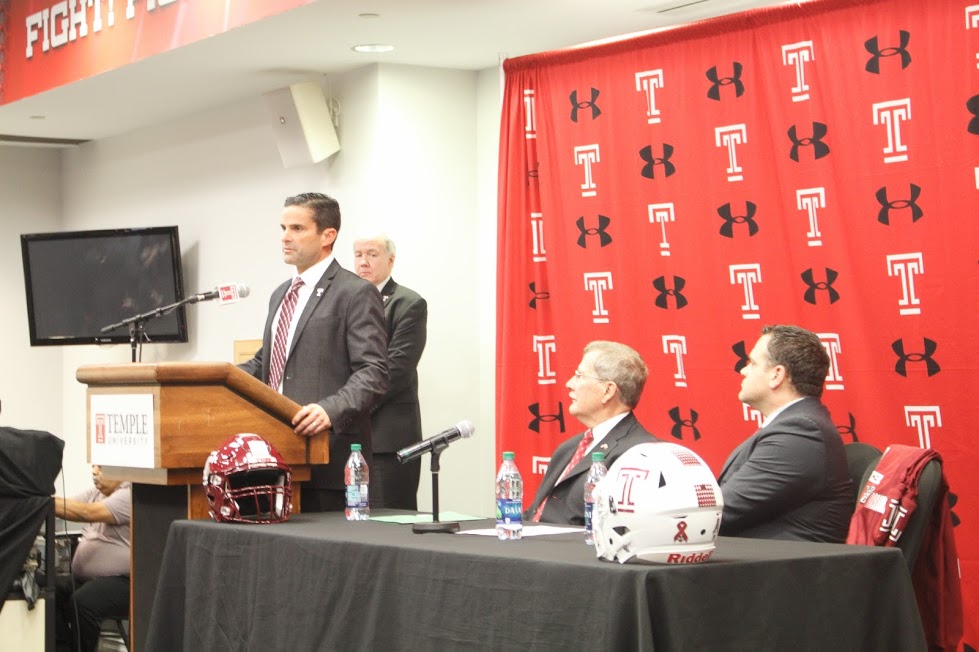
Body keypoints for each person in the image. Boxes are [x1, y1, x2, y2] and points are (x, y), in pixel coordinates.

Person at [239, 192, 389, 512]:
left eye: (296, 228)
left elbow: (373, 373)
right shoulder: (281, 294)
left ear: (327, 235)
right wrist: (217, 378)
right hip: (273, 456)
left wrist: (328, 411)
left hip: (327, 461)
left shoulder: (355, 292)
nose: (285, 237)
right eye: (282, 228)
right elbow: (267, 363)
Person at [718, 324, 851, 542]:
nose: (743, 371)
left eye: (752, 363)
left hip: (774, 571)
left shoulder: (801, 434)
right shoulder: (794, 425)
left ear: (777, 375)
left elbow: (719, 511)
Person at [524, 340, 659, 525]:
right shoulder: (569, 448)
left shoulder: (638, 453)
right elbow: (535, 513)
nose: (569, 384)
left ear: (608, 390)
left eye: (579, 376)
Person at [353, 234, 428, 510]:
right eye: (358, 255)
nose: (363, 262)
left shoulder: (408, 303)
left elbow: (396, 369)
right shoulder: (347, 301)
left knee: (389, 520)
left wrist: (350, 407)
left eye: (372, 254)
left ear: (390, 260)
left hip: (387, 438)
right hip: (347, 439)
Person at [53, 465, 131, 652]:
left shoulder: (128, 494)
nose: (95, 472)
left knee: (83, 602)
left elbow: (86, 512)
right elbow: (68, 504)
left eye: (101, 467)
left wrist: (40, 502)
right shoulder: (98, 492)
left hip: (126, 583)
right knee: (50, 590)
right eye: (94, 466)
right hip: (91, 580)